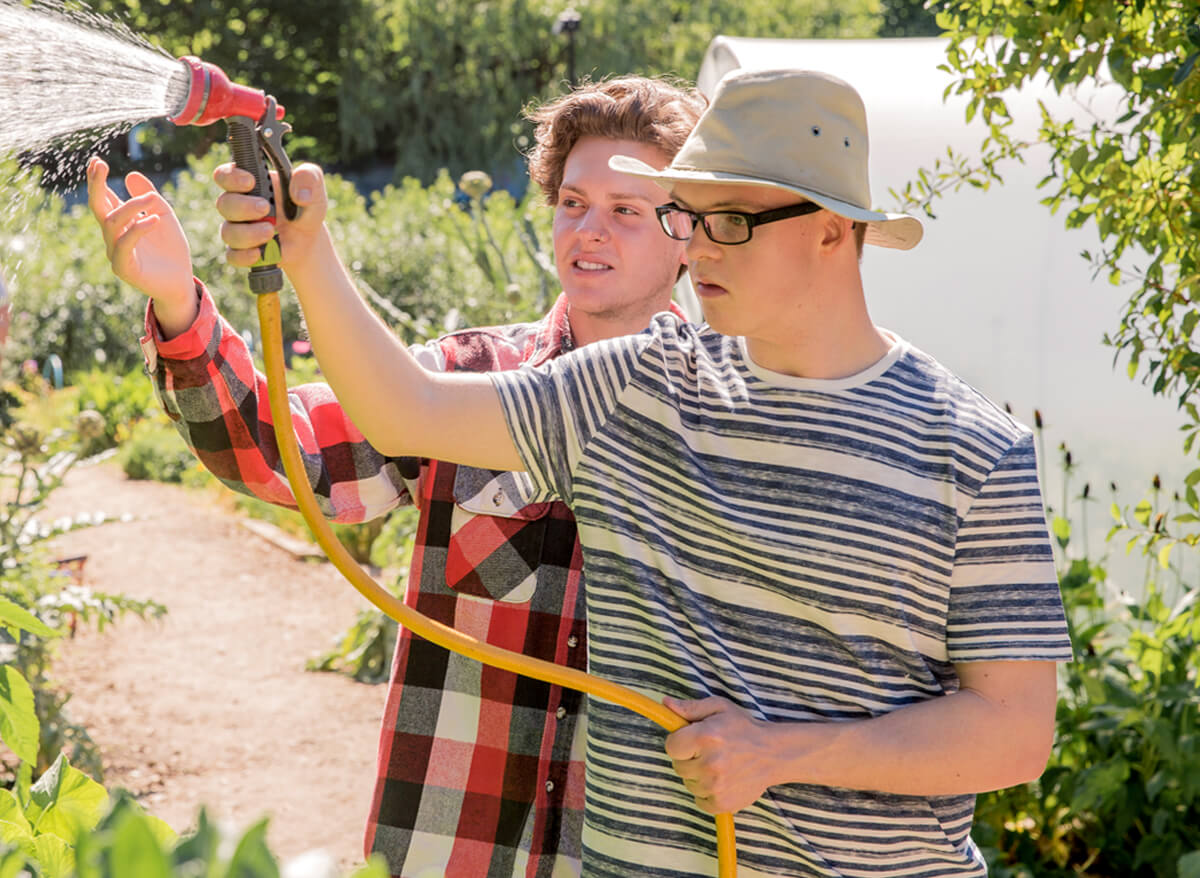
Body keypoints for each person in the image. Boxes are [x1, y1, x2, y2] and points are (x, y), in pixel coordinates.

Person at [203, 67, 1073, 877]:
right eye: (688, 218)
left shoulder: (973, 450)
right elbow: (409, 411)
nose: (697, 251)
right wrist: (309, 252)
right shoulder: (642, 387)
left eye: (728, 221)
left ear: (831, 233)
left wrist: (786, 752)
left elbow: (1014, 734)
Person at [87, 76, 706, 877]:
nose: (590, 230)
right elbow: (282, 451)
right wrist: (177, 300)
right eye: (573, 202)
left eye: (627, 210)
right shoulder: (462, 385)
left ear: (691, 231)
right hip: (453, 850)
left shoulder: (733, 425)